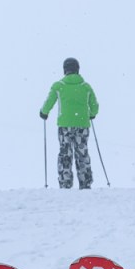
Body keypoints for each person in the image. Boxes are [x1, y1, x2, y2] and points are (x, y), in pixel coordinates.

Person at [39, 58, 99, 189]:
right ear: (78, 69)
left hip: (64, 126)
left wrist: (44, 112)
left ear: (65, 70)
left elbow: (49, 103)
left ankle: (65, 183)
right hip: (82, 125)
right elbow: (94, 106)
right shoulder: (86, 87)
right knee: (82, 152)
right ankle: (85, 183)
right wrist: (91, 114)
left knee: (65, 153)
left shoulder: (59, 86)